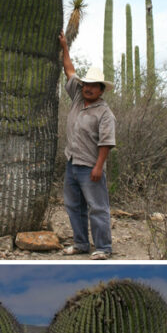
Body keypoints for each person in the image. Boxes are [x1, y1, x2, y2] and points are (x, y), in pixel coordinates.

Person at [58, 33, 116, 259]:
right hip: (72, 163)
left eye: (93, 86)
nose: (88, 88)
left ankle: (103, 248)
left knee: (98, 207)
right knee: (74, 206)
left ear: (101, 90)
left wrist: (98, 167)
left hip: (90, 167)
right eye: (86, 85)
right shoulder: (77, 98)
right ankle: (81, 244)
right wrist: (64, 47)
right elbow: (69, 71)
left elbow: (106, 143)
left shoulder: (104, 113)